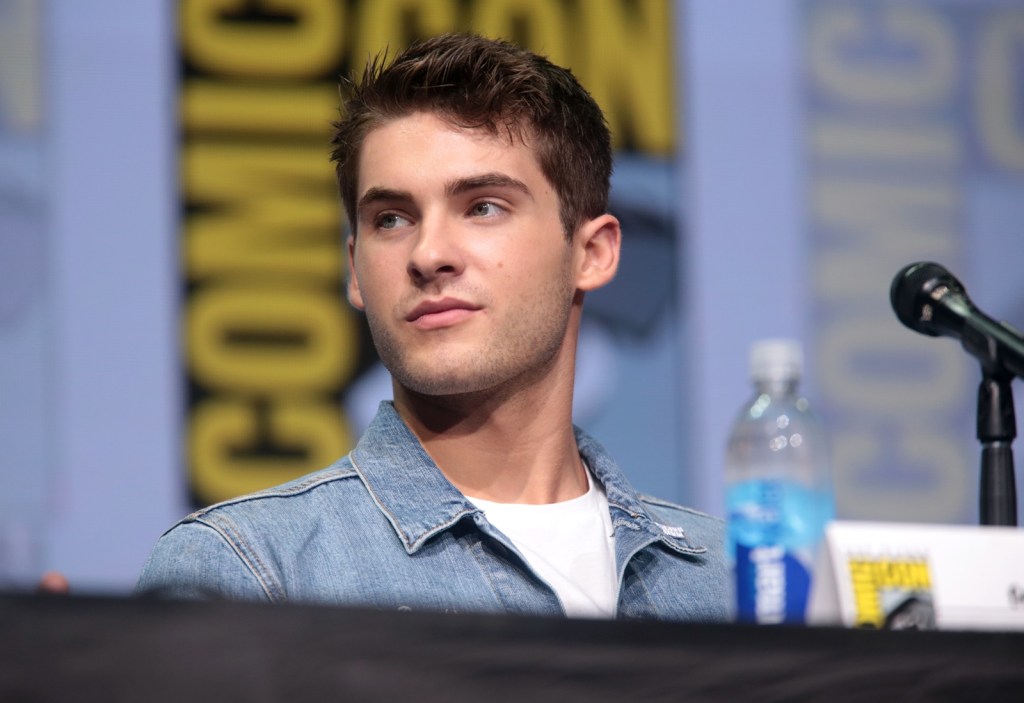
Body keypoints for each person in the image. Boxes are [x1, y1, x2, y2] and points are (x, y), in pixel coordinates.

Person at [136, 33, 727, 621]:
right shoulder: (248, 573)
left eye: (483, 207)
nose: (428, 254)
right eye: (391, 219)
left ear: (592, 252)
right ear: (356, 272)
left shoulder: (730, 587)